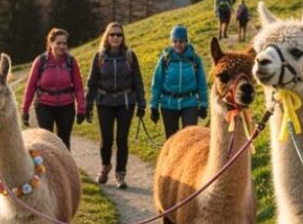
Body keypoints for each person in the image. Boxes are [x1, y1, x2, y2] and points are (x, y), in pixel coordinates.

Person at [85, 22, 146, 189]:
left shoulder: (129, 56)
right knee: (106, 140)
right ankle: (105, 166)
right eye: (112, 34)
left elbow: (138, 82)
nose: (116, 38)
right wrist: (87, 105)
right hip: (104, 102)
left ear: (123, 37)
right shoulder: (99, 57)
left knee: (122, 139)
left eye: (119, 35)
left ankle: (121, 174)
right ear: (107, 36)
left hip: (125, 102)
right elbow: (91, 83)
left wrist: (142, 104)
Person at [22, 27, 87, 149]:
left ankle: (65, 167)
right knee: (46, 140)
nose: (61, 46)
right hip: (44, 106)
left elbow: (78, 87)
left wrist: (81, 109)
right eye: (58, 43)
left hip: (66, 106)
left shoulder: (71, 62)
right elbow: (30, 87)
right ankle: (48, 167)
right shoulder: (40, 61)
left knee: (64, 141)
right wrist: (25, 110)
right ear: (51, 43)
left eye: (64, 43)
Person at [150, 24, 208, 139]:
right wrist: (154, 106)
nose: (178, 44)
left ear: (186, 41)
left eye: (181, 41)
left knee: (190, 138)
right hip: (168, 104)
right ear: (171, 42)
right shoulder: (165, 59)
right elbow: (157, 83)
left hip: (190, 103)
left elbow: (202, 83)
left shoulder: (194, 59)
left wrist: (203, 104)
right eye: (175, 41)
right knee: (172, 139)